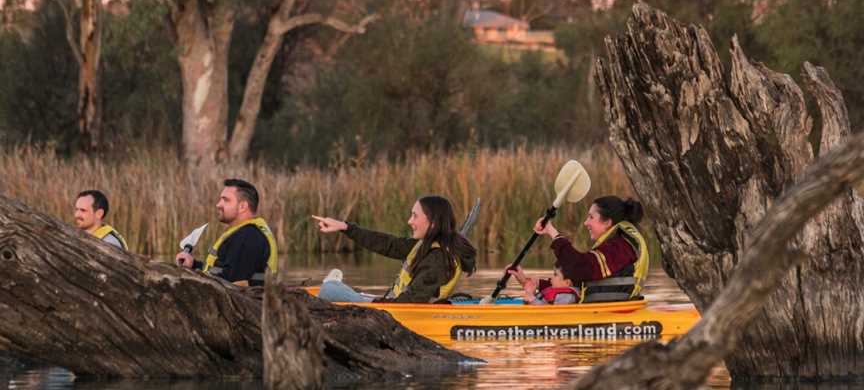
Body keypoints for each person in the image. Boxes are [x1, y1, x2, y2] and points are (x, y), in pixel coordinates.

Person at [312, 195, 477, 303]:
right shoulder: (427, 245)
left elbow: (410, 302)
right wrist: (345, 227)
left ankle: (334, 285)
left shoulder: (438, 259)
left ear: (432, 222)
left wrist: (376, 303)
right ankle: (337, 286)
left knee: (328, 290)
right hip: (394, 304)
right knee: (341, 290)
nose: (409, 221)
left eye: (415, 216)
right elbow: (386, 243)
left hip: (395, 312)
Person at [509, 195, 649, 303]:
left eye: (591, 217)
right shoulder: (616, 245)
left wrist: (552, 231)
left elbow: (578, 267)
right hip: (603, 310)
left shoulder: (620, 247)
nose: (585, 222)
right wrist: (530, 282)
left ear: (607, 222)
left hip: (613, 312)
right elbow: (573, 283)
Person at [176, 178, 278, 287]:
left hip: (245, 302)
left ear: (242, 206)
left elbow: (231, 284)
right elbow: (225, 272)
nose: (218, 204)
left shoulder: (248, 236)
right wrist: (194, 265)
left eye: (226, 200)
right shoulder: (243, 233)